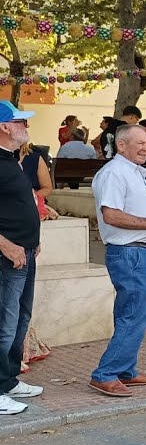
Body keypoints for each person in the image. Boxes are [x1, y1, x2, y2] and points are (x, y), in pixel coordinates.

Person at [89, 124, 146, 397]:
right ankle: (105, 374)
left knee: (131, 313)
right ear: (121, 145)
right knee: (133, 315)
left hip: (140, 251)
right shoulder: (115, 173)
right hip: (130, 254)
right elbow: (111, 215)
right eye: (137, 142)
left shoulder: (131, 173)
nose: (143, 147)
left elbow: (132, 211)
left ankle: (126, 369)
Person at [0, 101, 44, 414]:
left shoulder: (12, 160)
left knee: (21, 318)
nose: (26, 127)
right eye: (20, 122)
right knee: (5, 323)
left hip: (25, 251)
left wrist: (33, 241)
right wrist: (5, 244)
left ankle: (9, 379)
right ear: (4, 126)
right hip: (9, 255)